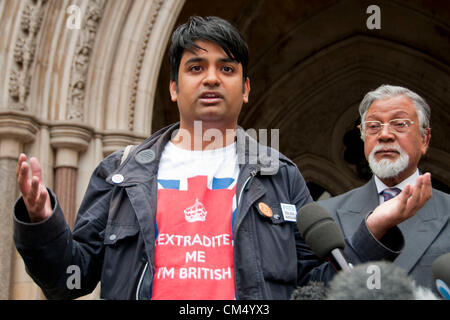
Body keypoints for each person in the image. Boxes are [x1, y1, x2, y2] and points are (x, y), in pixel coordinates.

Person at [13, 17, 428, 300]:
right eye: (196, 67)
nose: (212, 77)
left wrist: (371, 233)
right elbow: (69, 279)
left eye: (226, 69)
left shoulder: (280, 176)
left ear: (245, 88)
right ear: (174, 87)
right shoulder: (121, 173)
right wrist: (41, 222)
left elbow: (316, 287)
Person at [319, 84, 450, 293]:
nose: (385, 135)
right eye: (373, 126)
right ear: (363, 137)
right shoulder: (325, 218)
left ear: (424, 139)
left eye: (399, 124)